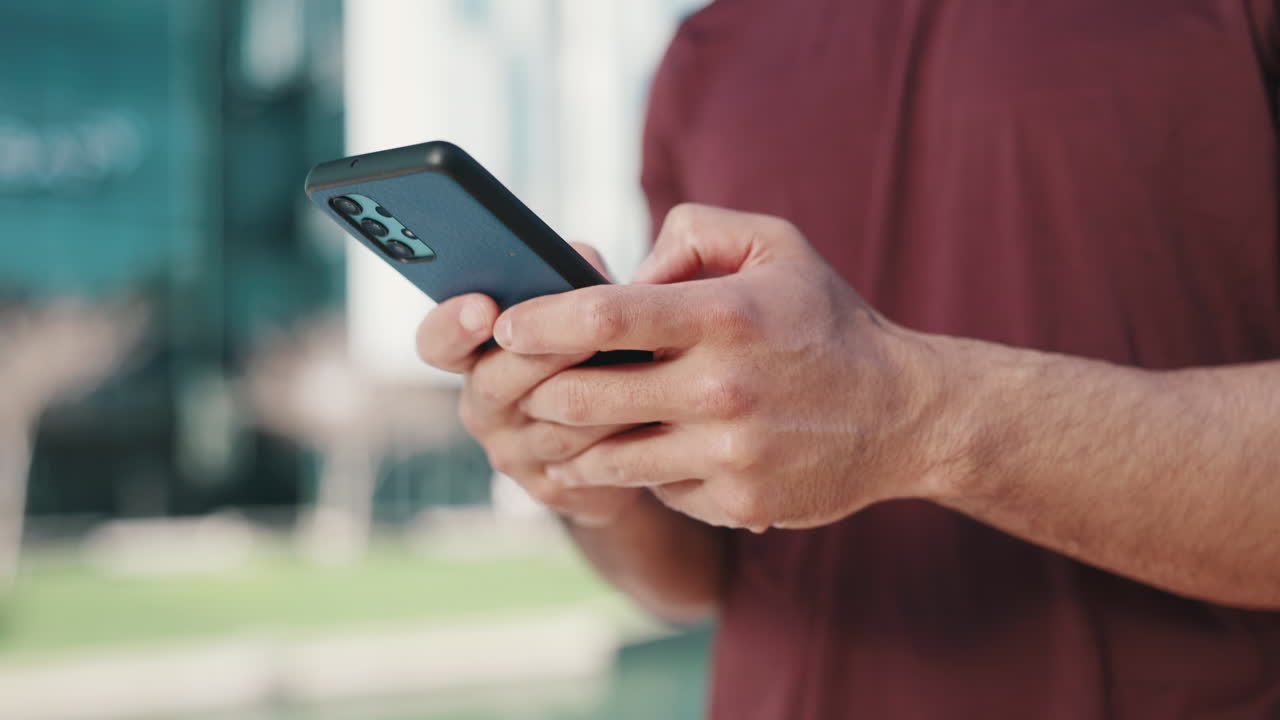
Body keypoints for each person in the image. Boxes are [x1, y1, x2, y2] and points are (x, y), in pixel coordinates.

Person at [418, 1, 1280, 717]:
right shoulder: (709, 51)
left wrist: (915, 413)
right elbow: (697, 575)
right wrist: (594, 477)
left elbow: (893, 411)